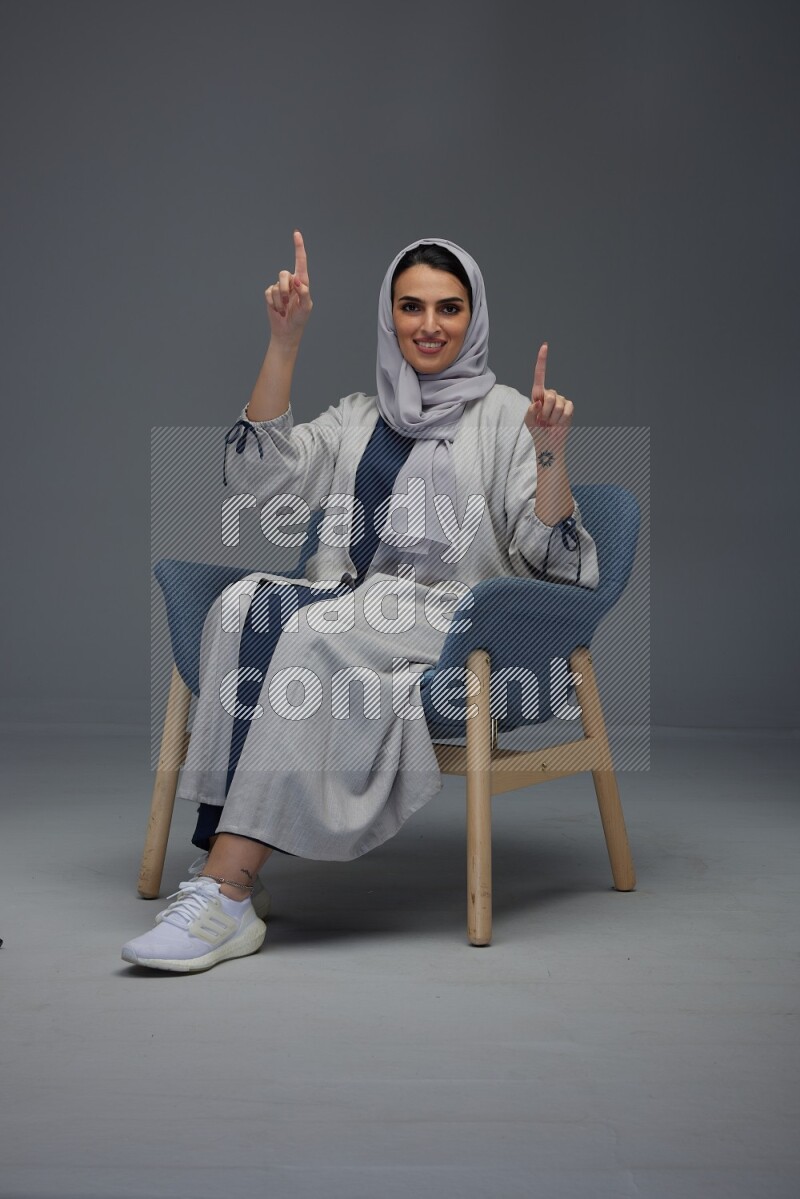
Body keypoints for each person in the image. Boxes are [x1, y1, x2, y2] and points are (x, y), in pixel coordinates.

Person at [122, 231, 599, 973]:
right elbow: (262, 481)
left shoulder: (506, 414)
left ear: (474, 317)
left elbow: (553, 557)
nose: (430, 324)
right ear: (390, 316)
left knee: (314, 635)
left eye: (449, 307)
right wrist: (284, 342)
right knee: (242, 605)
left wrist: (549, 447)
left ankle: (226, 889)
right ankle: (227, 859)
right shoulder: (360, 415)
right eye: (411, 306)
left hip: (455, 615)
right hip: (359, 595)